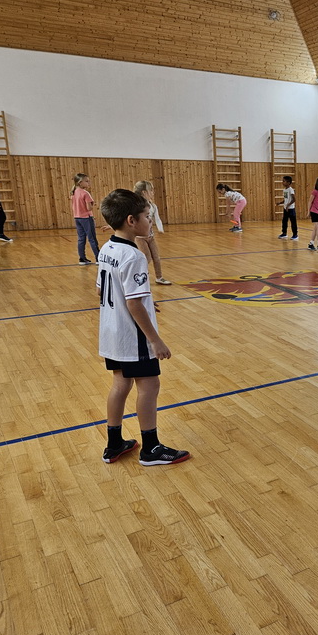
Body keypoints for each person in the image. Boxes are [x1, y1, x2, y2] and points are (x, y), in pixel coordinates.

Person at [97, 188, 190, 466]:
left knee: (120, 384)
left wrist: (146, 302)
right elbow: (134, 303)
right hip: (133, 337)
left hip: (112, 333)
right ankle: (151, 448)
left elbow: (103, 289)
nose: (150, 221)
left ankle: (114, 443)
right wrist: (155, 340)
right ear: (131, 221)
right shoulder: (134, 255)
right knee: (149, 385)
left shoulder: (107, 248)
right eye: (147, 216)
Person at [133, 180, 171, 285]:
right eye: (151, 190)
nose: (153, 192)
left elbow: (157, 219)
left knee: (156, 257)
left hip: (151, 236)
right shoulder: (137, 206)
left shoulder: (153, 206)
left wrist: (160, 229)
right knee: (147, 258)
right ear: (144, 192)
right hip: (140, 237)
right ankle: (140, 276)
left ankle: (159, 277)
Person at [71, 173, 99, 265]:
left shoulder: (73, 192)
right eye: (86, 181)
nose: (88, 183)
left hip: (77, 218)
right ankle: (98, 258)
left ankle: (82, 259)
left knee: (81, 239)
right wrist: (92, 204)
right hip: (86, 218)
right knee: (92, 238)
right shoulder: (85, 193)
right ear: (80, 182)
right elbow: (89, 208)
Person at [278, 175, 298, 240]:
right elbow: (286, 199)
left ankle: (295, 235)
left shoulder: (290, 190)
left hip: (291, 209)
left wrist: (288, 205)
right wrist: (280, 203)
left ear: (288, 183)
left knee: (293, 222)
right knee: (284, 221)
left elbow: (294, 199)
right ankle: (284, 233)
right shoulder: (284, 190)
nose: (282, 182)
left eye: (284, 181)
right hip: (285, 208)